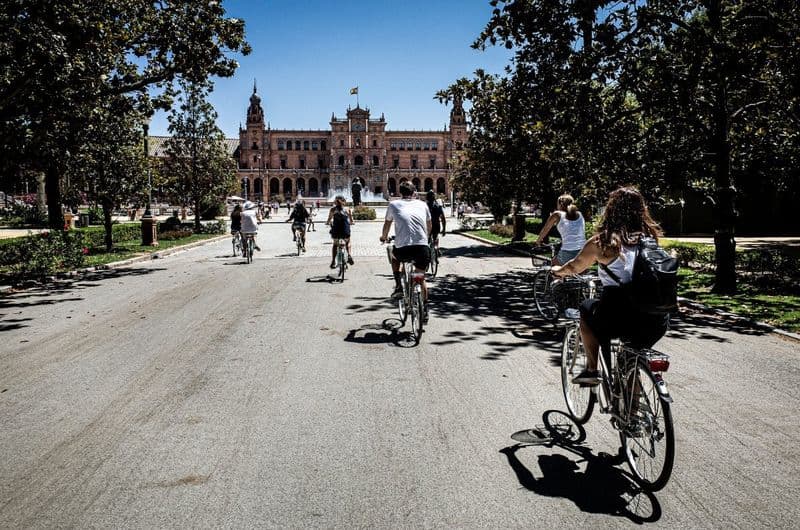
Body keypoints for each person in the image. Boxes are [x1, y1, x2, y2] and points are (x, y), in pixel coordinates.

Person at [552, 187, 668, 385]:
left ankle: (591, 369)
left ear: (610, 210)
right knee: (630, 360)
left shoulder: (603, 242)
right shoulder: (650, 239)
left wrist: (557, 271)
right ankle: (631, 410)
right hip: (656, 318)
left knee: (587, 308)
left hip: (618, 315)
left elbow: (575, 266)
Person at [380, 182, 432, 321]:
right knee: (420, 277)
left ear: (400, 192)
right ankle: (425, 310)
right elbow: (429, 225)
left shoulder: (393, 204)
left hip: (403, 249)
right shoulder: (422, 204)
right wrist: (425, 238)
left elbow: (387, 224)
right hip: (422, 248)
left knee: (394, 255)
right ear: (414, 192)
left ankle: (398, 285)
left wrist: (383, 237)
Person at [534, 194, 587, 265]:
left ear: (560, 204)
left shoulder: (557, 214)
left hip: (568, 251)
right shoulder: (579, 214)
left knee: (554, 266)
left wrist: (538, 241)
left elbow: (545, 229)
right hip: (583, 251)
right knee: (573, 272)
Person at [326, 195, 355, 268]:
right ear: (344, 202)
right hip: (345, 231)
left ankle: (333, 261)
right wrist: (351, 222)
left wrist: (327, 222)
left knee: (335, 245)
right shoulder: (347, 209)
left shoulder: (333, 209)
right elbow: (351, 220)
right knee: (348, 242)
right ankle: (349, 255)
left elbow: (329, 219)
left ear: (335, 202)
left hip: (336, 231)